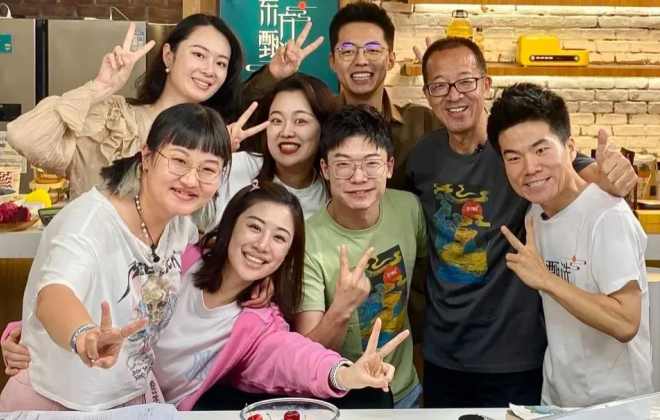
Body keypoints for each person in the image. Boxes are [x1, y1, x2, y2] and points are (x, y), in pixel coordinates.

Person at [1, 181, 410, 411]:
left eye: (279, 238)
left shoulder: (258, 323)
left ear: (288, 254)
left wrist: (345, 374)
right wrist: (30, 333)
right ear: (230, 227)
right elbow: (101, 289)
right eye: (254, 227)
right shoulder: (178, 258)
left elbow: (294, 359)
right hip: (79, 395)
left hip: (146, 411)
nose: (262, 245)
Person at [406, 36, 638, 408]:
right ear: (427, 94)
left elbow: (567, 168)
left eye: (465, 82)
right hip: (443, 353)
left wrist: (610, 174)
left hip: (514, 358)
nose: (454, 95)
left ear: (486, 84)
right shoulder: (422, 157)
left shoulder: (519, 154)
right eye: (440, 86)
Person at [0, 103, 232, 411]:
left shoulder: (179, 223)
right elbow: (54, 295)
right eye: (179, 161)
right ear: (146, 157)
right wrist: (84, 335)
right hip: (59, 402)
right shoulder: (89, 222)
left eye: (208, 169)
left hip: (130, 397)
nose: (191, 180)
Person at [489, 83, 653, 407]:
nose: (530, 168)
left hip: (616, 405)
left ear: (570, 147)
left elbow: (625, 322)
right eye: (514, 157)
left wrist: (546, 279)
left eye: (541, 150)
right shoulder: (535, 213)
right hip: (558, 398)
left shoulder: (608, 216)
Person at [7, 14, 245, 199]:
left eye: (221, 63)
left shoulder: (214, 140)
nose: (210, 70)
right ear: (169, 56)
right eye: (199, 55)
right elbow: (24, 138)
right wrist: (99, 88)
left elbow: (201, 229)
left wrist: (220, 159)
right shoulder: (114, 121)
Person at [294, 105, 427, 408]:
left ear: (389, 166)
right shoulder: (307, 241)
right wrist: (342, 308)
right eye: (343, 165)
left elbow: (422, 280)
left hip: (406, 392)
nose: (358, 177)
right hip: (342, 399)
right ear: (325, 169)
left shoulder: (409, 208)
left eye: (371, 163)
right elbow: (305, 354)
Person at [246, 2, 443, 190]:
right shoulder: (316, 118)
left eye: (373, 50)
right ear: (332, 61)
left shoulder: (421, 123)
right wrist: (272, 75)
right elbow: (244, 120)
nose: (361, 60)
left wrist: (443, 83)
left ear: (391, 60)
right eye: (347, 51)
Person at [213, 73, 337, 223]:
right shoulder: (236, 166)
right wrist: (212, 156)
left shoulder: (333, 193)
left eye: (300, 121)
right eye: (277, 120)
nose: (286, 132)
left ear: (323, 127)